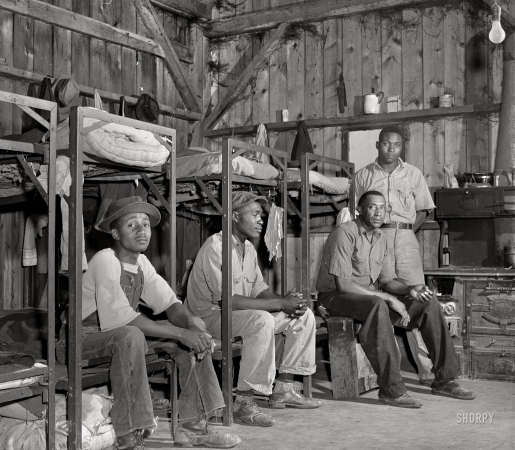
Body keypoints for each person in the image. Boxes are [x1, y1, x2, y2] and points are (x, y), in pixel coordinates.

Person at [78, 196, 240, 449]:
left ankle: (193, 426)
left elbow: (170, 304)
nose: (142, 230)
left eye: (145, 224)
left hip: (123, 337)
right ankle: (129, 434)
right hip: (85, 338)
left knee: (192, 337)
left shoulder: (141, 264)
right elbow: (119, 317)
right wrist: (178, 333)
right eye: (131, 225)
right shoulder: (105, 259)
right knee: (132, 335)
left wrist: (190, 325)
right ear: (115, 233)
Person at [316, 191, 476, 408]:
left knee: (428, 303)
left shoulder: (381, 238)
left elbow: (388, 281)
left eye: (382, 207)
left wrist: (410, 289)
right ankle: (391, 390)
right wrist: (388, 298)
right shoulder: (344, 234)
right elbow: (343, 286)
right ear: (360, 210)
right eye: (372, 207)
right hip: (334, 299)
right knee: (378, 304)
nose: (378, 212)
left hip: (368, 298)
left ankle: (444, 379)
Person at [185, 191, 320, 428]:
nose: (261, 220)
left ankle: (284, 389)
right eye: (255, 214)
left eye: (261, 215)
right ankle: (244, 401)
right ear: (235, 216)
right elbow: (227, 301)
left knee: (303, 315)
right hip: (209, 318)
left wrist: (286, 301)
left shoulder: (247, 247)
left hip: (236, 316)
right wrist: (279, 304)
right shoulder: (216, 248)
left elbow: (259, 290)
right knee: (261, 320)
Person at [354, 125, 435, 385]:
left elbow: (423, 210)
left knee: (418, 298)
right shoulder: (363, 176)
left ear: (402, 147)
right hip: (376, 238)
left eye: (397, 145)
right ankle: (387, 371)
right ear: (377, 145)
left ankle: (427, 370)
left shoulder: (413, 174)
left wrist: (406, 232)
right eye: (386, 144)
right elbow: (354, 212)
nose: (391, 149)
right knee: (383, 298)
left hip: (407, 239)